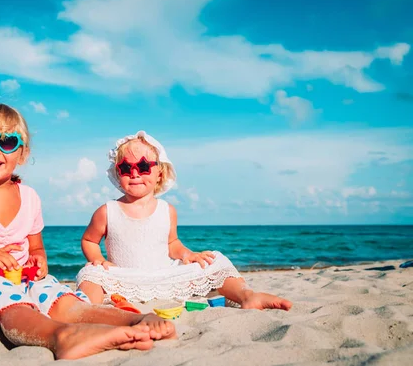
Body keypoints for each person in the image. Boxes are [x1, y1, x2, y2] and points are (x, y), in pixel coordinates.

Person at [0, 106, 175, 360]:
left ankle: (135, 319)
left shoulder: (29, 198)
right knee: (11, 305)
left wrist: (39, 261)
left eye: (6, 141)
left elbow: (36, 248)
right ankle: (60, 337)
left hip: (22, 280)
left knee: (62, 301)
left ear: (22, 154)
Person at [76, 131, 293, 311]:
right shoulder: (108, 211)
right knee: (90, 273)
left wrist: (188, 255)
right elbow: (89, 240)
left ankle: (247, 296)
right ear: (117, 173)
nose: (134, 173)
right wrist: (98, 260)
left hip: (164, 278)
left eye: (142, 167)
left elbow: (172, 244)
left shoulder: (166, 210)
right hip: (125, 279)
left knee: (214, 260)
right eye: (125, 168)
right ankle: (87, 311)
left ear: (159, 173)